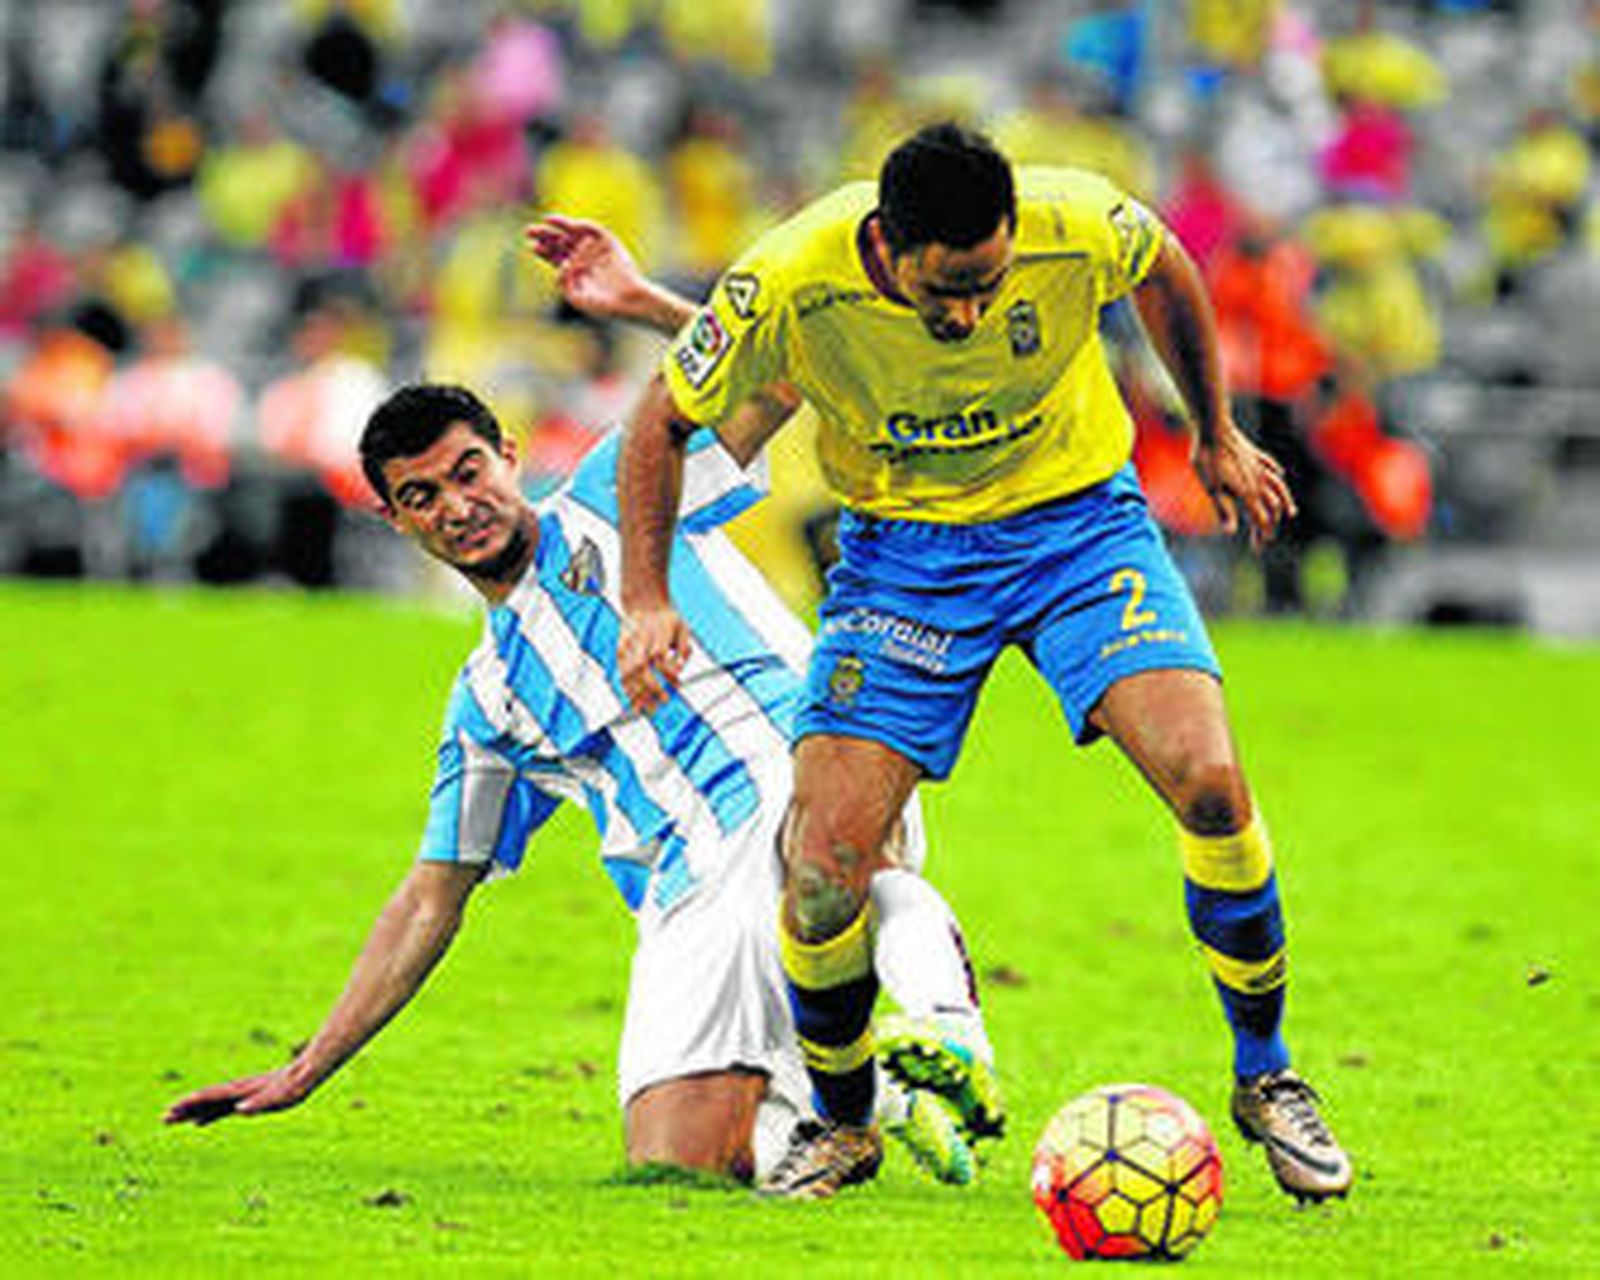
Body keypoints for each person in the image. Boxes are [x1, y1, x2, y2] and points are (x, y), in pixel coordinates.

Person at [163, 226, 998, 1189]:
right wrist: (310, 1067)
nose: (457, 505)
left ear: (509, 456)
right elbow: (433, 894)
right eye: (422, 496)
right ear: (393, 518)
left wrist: (646, 303)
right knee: (677, 1159)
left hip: (795, 765)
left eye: (468, 472)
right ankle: (868, 1104)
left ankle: (945, 1029)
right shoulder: (488, 701)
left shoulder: (618, 485)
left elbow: (774, 382)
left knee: (828, 852)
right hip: (689, 886)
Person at [615, 121, 1353, 1202]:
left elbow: (1163, 268)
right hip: (903, 560)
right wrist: (643, 594)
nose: (968, 310)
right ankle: (842, 1119)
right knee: (821, 867)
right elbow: (657, 421)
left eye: (989, 280)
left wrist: (1213, 431)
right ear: (887, 244)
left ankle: (1267, 1072)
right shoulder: (785, 276)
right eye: (948, 287)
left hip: (1077, 532)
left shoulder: (1075, 219)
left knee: (1209, 781)